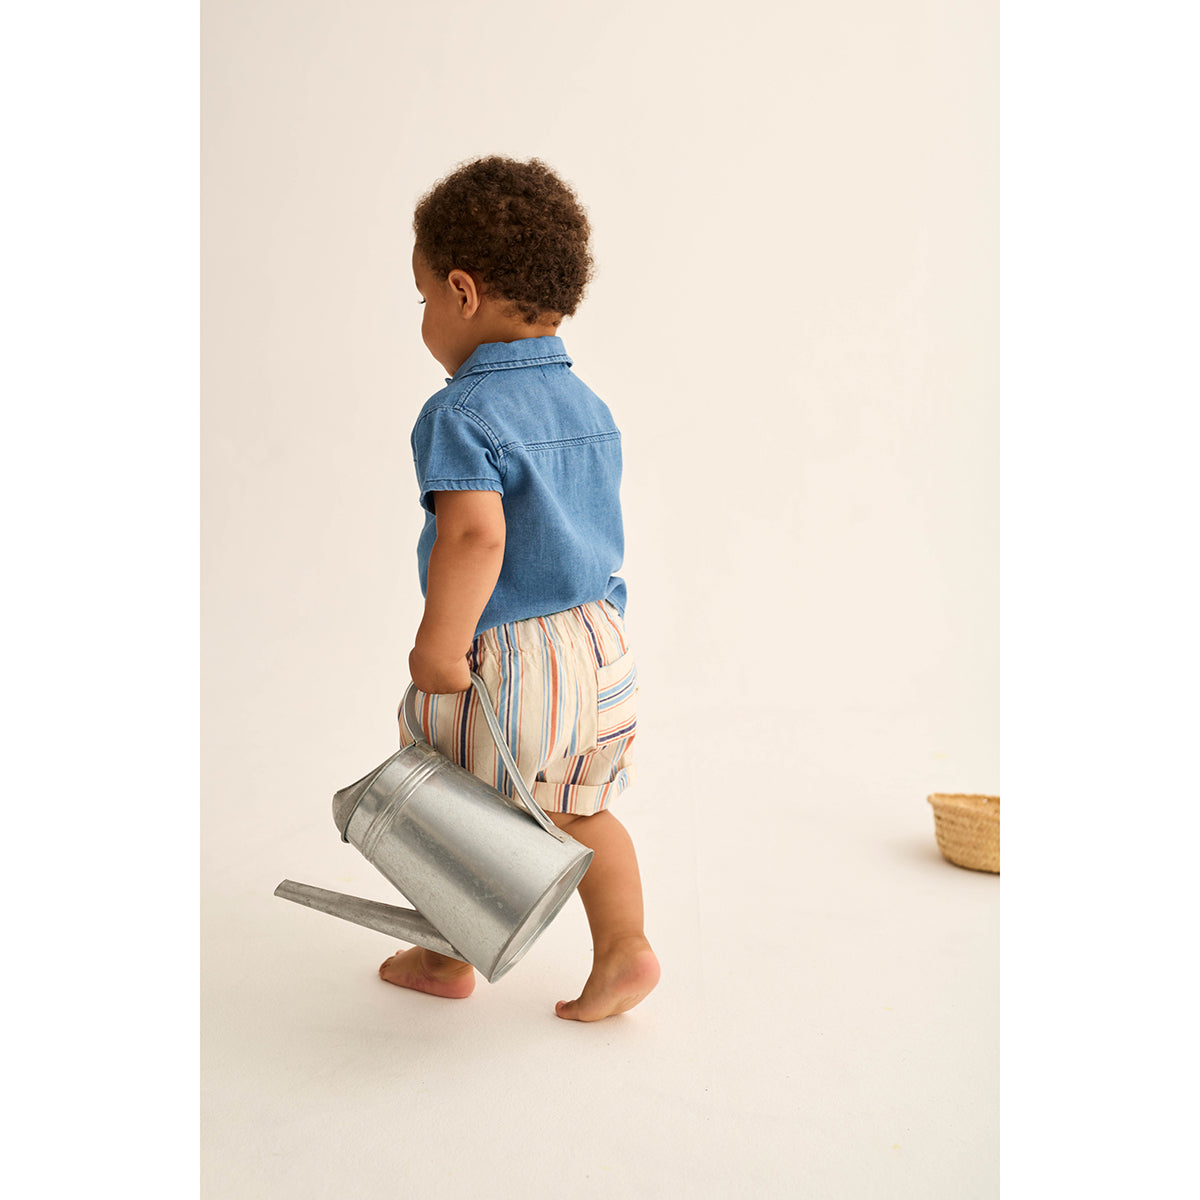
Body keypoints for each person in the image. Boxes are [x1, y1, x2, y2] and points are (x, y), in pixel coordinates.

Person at [377, 156, 661, 1021]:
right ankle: (625, 948)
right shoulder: (587, 405)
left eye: (422, 297)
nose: (424, 317)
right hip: (600, 646)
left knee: (450, 812)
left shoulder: (460, 413)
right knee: (577, 810)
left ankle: (443, 959)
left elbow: (475, 535)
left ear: (461, 291)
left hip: (508, 655)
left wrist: (439, 644)